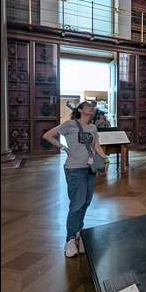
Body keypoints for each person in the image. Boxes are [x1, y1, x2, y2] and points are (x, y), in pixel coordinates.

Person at [43, 101, 110, 257]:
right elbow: (47, 135)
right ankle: (70, 240)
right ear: (80, 110)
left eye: (92, 107)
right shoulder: (70, 124)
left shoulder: (92, 127)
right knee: (77, 203)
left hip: (90, 168)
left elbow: (96, 146)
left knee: (86, 201)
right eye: (88, 106)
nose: (91, 109)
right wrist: (63, 147)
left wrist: (105, 159)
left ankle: (79, 228)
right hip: (74, 169)